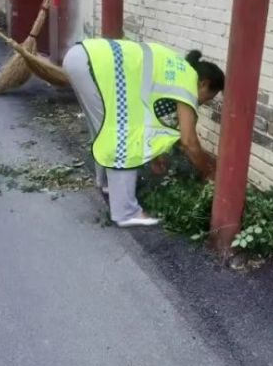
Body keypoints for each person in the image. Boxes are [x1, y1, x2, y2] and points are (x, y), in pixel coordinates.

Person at [63, 39, 225, 228]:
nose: (204, 103)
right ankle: (126, 212)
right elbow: (189, 142)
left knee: (105, 130)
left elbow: (144, 119)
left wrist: (154, 155)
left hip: (83, 57)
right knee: (122, 138)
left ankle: (107, 184)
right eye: (209, 98)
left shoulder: (177, 71)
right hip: (94, 65)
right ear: (204, 83)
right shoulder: (188, 80)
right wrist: (209, 172)